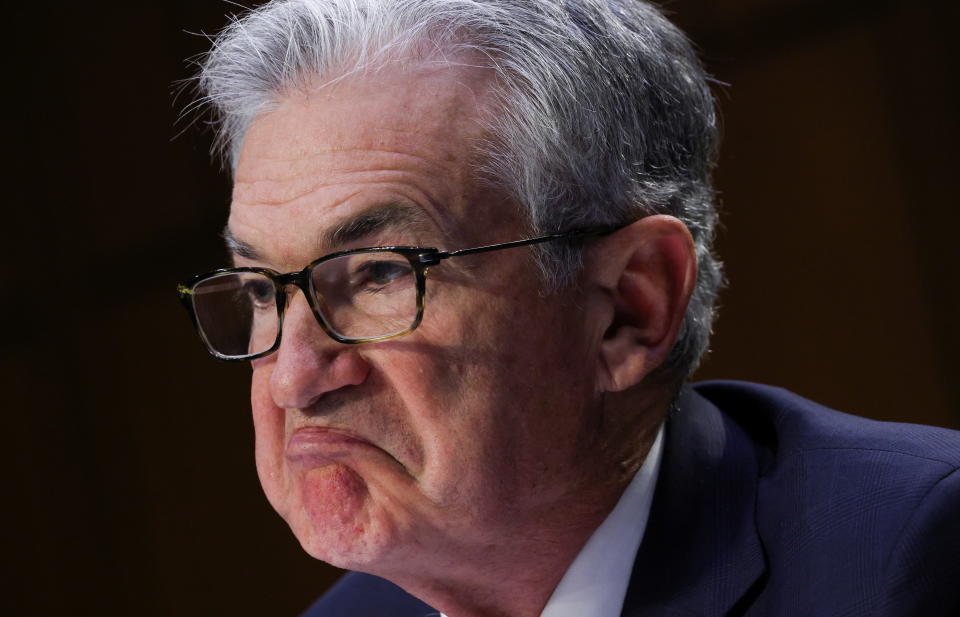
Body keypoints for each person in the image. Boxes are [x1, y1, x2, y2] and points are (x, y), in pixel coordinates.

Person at [176, 1, 960, 615]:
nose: (293, 379)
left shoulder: (908, 560)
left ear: (627, 308)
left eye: (380, 272)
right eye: (259, 289)